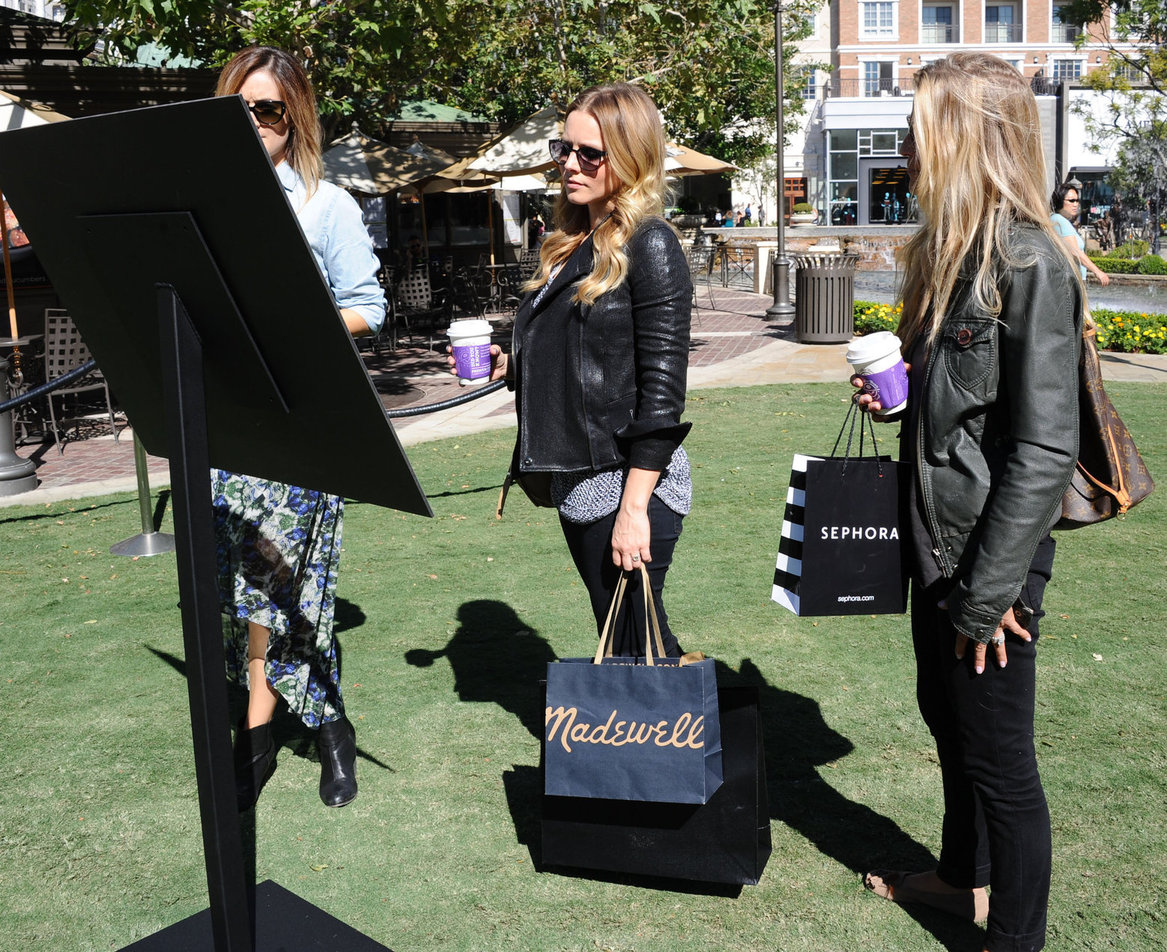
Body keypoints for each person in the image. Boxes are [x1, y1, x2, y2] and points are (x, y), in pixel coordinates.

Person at [854, 54, 1083, 952]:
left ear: (962, 136)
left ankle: (1013, 941)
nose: (905, 142)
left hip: (989, 556)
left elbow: (1040, 445)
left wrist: (990, 595)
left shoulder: (1029, 259)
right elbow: (965, 409)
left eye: (918, 124)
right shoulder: (949, 250)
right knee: (944, 718)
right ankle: (960, 880)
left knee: (999, 764)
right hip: (935, 537)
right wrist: (901, 395)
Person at [212, 46, 386, 811]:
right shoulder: (201, 203)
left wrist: (292, 334)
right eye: (239, 108)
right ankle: (318, 727)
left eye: (270, 111)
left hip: (305, 424)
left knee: (290, 586)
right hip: (228, 426)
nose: (255, 124)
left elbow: (368, 305)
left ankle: (276, 734)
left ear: (297, 118)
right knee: (244, 588)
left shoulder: (324, 203)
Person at [469, 83, 693, 657]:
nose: (569, 163)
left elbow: (663, 397)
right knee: (629, 640)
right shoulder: (574, 240)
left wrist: (634, 510)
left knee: (636, 645)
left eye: (589, 153)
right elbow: (579, 350)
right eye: (563, 148)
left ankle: (684, 744)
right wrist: (512, 361)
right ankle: (661, 742)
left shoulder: (651, 244)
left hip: (627, 480)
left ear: (630, 157)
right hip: (579, 479)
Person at [1051, 181, 1110, 286]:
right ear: (1060, 201)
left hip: (1072, 280)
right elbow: (1075, 252)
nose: (1075, 204)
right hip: (1070, 282)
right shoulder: (1059, 220)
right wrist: (1097, 272)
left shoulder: (1059, 220)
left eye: (1077, 200)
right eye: (1071, 200)